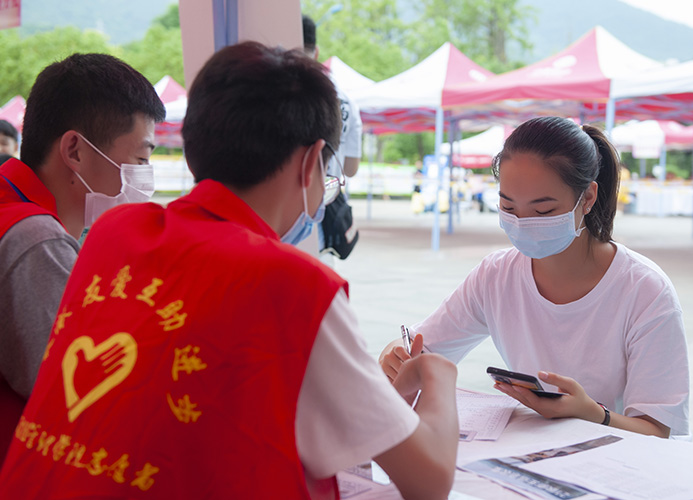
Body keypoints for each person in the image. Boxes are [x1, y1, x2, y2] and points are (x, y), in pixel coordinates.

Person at [0, 42, 459, 499]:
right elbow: (430, 480)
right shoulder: (296, 284)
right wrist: (437, 375)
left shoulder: (113, 234)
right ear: (310, 161)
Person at [380, 116, 689, 439]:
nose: (523, 223)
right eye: (508, 208)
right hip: (535, 450)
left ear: (587, 198)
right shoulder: (496, 275)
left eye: (543, 212)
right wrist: (397, 356)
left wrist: (591, 413)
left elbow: (657, 430)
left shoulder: (645, 291)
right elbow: (423, 348)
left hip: (623, 459)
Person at [0, 53, 165, 463]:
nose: (145, 179)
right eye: (142, 159)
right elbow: (79, 400)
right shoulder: (36, 240)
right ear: (74, 150)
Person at [302, 14, 363, 260]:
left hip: (287, 214)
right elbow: (350, 169)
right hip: (326, 212)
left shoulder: (285, 94)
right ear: (316, 51)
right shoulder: (346, 99)